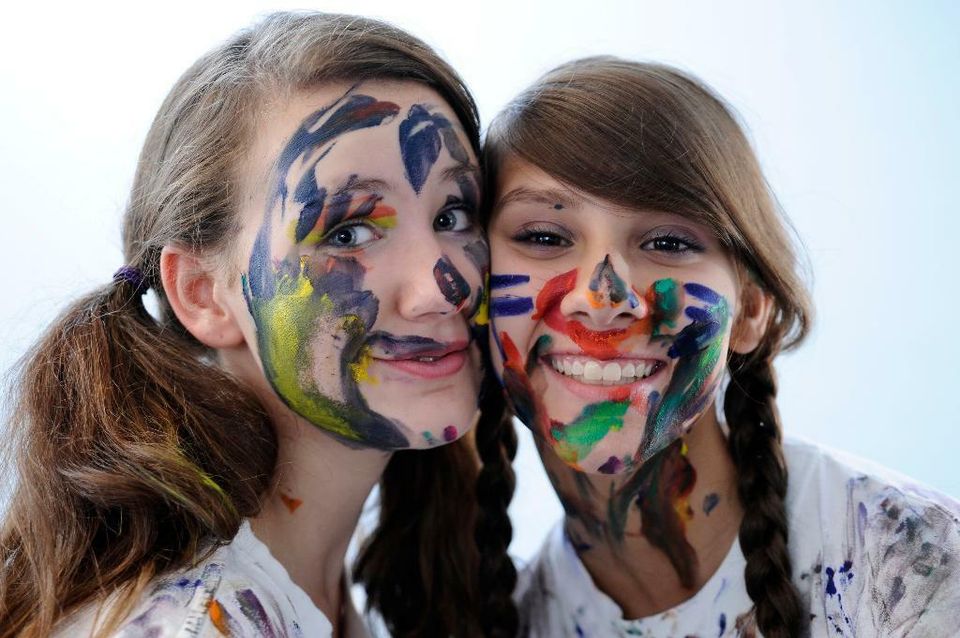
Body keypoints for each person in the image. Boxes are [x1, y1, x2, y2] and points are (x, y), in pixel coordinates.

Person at [0, 12, 517, 638]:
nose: (443, 286)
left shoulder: (306, 592)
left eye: (453, 214)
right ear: (203, 295)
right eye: (349, 231)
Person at [483, 57, 960, 637]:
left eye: (666, 241)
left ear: (751, 311)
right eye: (543, 237)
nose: (602, 296)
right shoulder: (518, 620)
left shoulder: (910, 562)